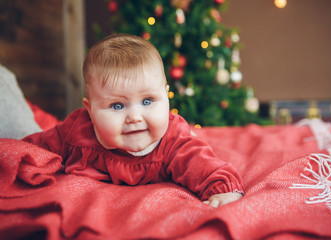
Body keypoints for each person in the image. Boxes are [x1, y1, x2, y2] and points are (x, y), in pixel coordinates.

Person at [23, 33, 244, 207]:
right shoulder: (76, 131)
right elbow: (32, 149)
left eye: (147, 101)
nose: (135, 117)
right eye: (117, 106)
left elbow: (202, 165)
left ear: (166, 96)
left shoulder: (173, 140)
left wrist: (222, 189)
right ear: (89, 111)